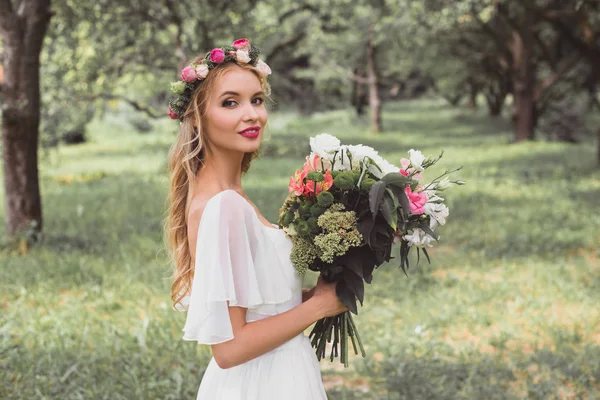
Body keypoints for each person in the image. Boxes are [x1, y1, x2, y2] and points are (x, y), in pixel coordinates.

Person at [164, 38, 348, 399]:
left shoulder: (230, 196)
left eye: (257, 100)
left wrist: (317, 292)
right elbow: (230, 349)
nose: (251, 114)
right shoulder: (223, 206)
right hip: (260, 381)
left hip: (280, 369)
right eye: (230, 103)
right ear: (197, 117)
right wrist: (319, 306)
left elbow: (257, 307)